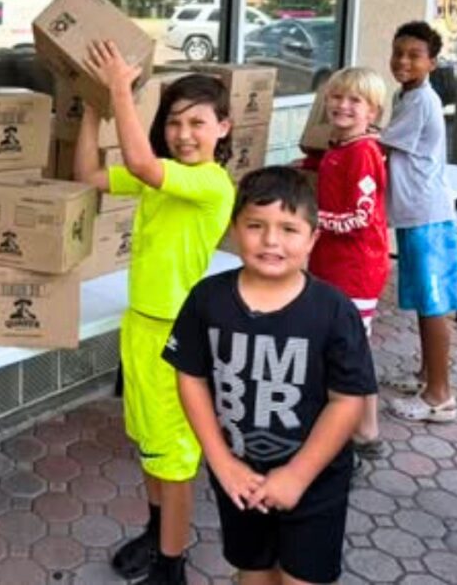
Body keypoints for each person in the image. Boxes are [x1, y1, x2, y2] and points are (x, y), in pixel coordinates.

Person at [167, 166, 377, 585]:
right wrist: (221, 461)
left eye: (289, 228)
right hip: (239, 477)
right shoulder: (206, 299)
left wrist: (297, 475)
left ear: (313, 238)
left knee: (302, 577)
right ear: (233, 229)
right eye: (256, 225)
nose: (271, 241)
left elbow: (348, 400)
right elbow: (191, 377)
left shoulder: (334, 311)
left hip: (316, 479)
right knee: (253, 569)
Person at [75, 41, 235, 584]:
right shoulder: (164, 176)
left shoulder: (210, 184)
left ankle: (172, 566)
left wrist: (121, 87)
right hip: (140, 326)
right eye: (173, 122)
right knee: (148, 442)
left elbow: (139, 163)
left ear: (224, 128)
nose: (183, 134)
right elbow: (88, 176)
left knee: (176, 458)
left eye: (197, 123)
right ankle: (155, 532)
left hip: (178, 336)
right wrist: (93, 103)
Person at [380, 21, 457, 423]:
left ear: (432, 62)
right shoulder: (408, 94)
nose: (403, 61)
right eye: (398, 52)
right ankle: (426, 375)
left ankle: (439, 395)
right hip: (418, 213)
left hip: (426, 215)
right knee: (422, 301)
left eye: (414, 55)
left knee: (432, 306)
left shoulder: (420, 101)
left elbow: (379, 145)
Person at [300, 67, 389, 459]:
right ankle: (362, 429)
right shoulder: (338, 147)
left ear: (373, 111)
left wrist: (311, 222)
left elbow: (360, 216)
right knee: (350, 348)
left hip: (355, 270)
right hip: (333, 266)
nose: (343, 105)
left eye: (355, 100)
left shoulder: (363, 153)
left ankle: (359, 432)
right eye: (337, 97)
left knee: (348, 352)